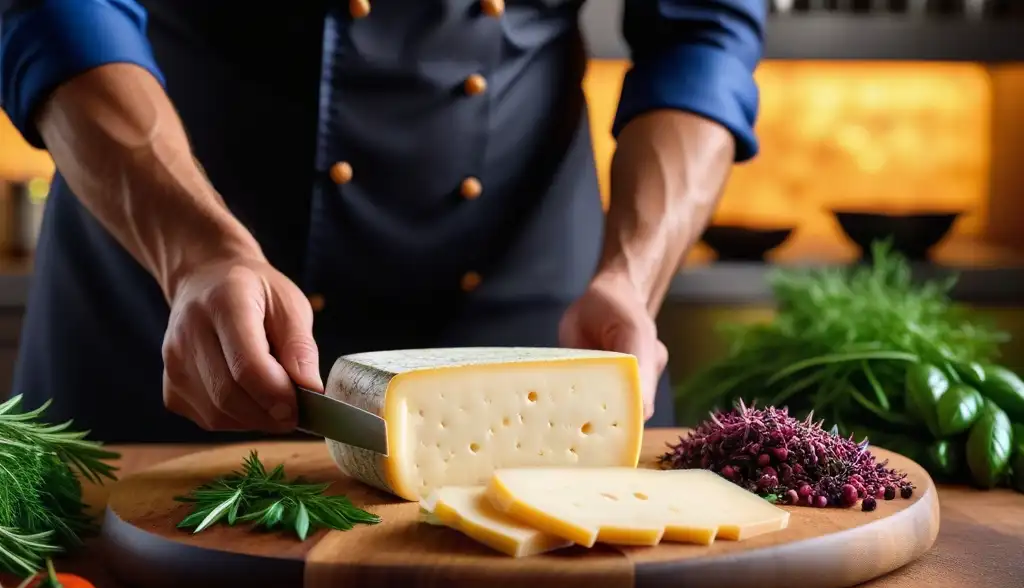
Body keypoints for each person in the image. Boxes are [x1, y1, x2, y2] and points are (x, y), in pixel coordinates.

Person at [0, 0, 764, 444]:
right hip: (165, 292)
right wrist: (194, 252)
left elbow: (702, 34)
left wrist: (630, 275)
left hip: (537, 324)